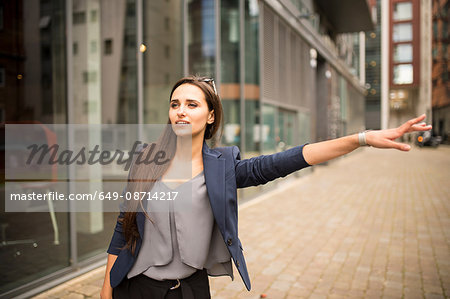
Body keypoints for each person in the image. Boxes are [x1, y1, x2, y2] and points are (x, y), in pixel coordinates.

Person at [100, 75, 432, 299]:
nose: (181, 112)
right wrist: (106, 291)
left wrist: (361, 139)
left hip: (191, 291)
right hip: (136, 288)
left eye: (192, 104)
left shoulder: (223, 167)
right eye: (175, 104)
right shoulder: (146, 160)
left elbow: (288, 159)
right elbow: (122, 231)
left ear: (211, 115)